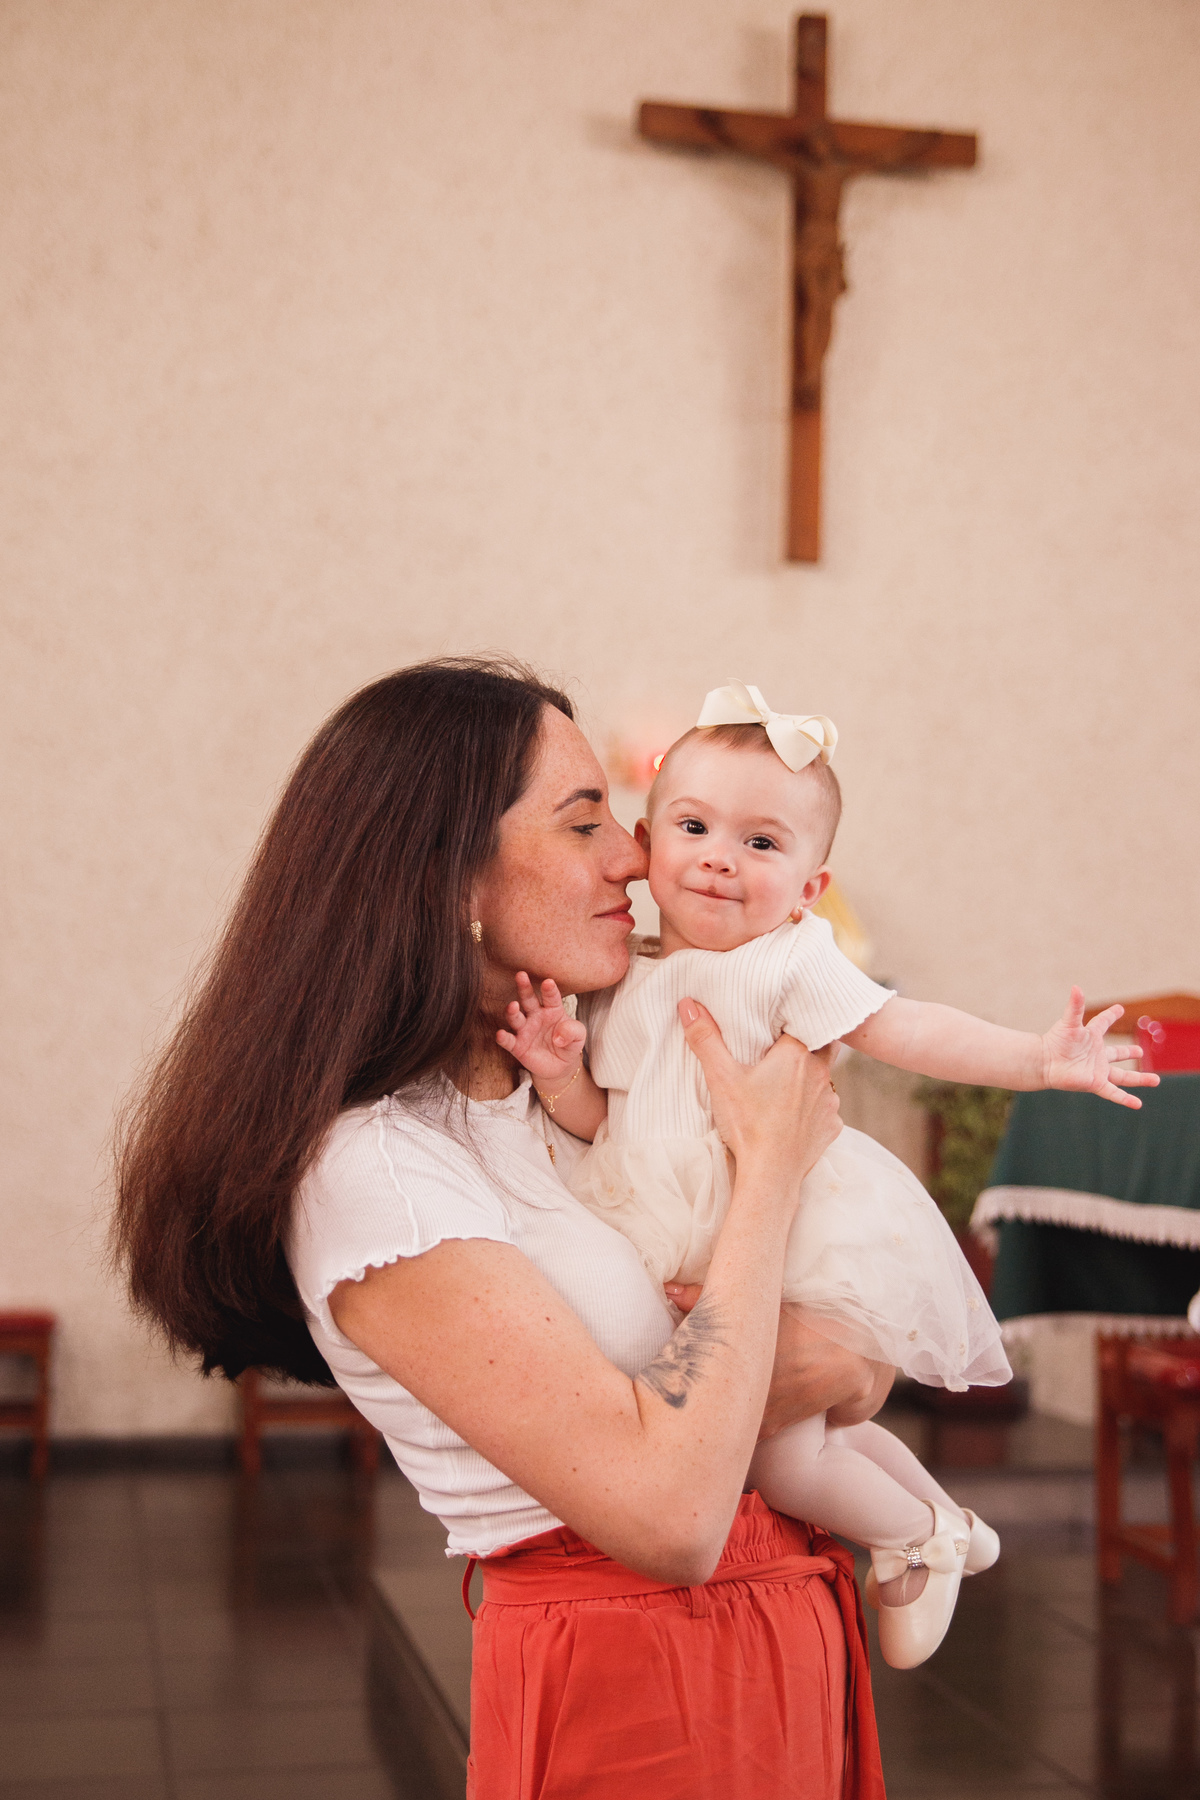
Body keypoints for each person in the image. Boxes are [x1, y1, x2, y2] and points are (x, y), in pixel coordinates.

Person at [112, 658, 895, 1800]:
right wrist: (771, 1172)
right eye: (586, 824)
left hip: (778, 1638)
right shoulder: (375, 1171)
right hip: (641, 1689)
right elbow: (671, 1515)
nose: (636, 855)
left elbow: (842, 1363)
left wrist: (839, 1363)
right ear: (448, 876)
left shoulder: (573, 1093)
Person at [499, 678, 1158, 1670]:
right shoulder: (619, 978)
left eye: (763, 843)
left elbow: (909, 1028)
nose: (722, 856)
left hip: (783, 1234)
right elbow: (607, 1123)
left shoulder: (787, 964)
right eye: (695, 826)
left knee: (784, 1453)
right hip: (665, 1224)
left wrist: (1038, 1058)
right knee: (786, 1438)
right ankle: (941, 1515)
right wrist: (558, 1075)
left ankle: (917, 1537)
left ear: (810, 886)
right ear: (646, 844)